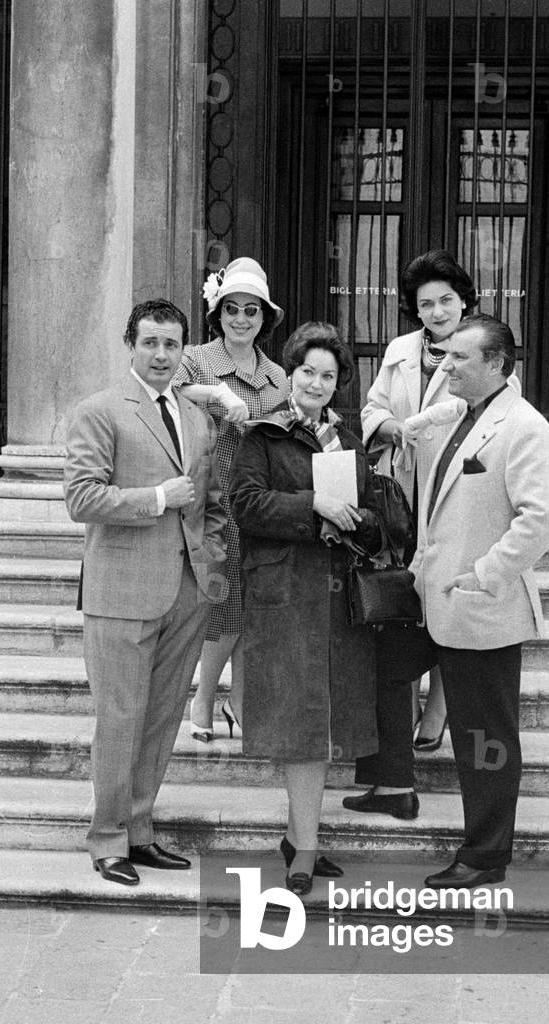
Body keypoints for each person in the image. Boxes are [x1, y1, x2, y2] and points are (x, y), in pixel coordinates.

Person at [64, 298, 227, 885]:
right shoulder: (99, 411)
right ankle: (107, 838)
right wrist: (158, 498)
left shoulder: (197, 417)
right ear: (130, 345)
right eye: (150, 342)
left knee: (160, 719)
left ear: (184, 350)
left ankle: (139, 830)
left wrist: (211, 561)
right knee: (120, 717)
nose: (161, 354)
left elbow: (210, 501)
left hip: (186, 590)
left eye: (171, 344)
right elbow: (82, 498)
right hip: (121, 591)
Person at [412, 313, 549, 889]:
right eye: (446, 354)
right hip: (439, 603)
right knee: (472, 738)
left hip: (483, 608)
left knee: (486, 741)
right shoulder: (462, 415)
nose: (445, 365)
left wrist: (485, 574)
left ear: (497, 363)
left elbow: (543, 519)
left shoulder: (524, 426)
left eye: (459, 357)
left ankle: (484, 856)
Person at [229, 321, 382, 895]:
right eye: (307, 372)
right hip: (286, 594)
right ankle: (306, 850)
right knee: (300, 722)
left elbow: (372, 513)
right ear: (290, 374)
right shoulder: (263, 434)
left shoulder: (350, 441)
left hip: (338, 599)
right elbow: (244, 505)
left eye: (328, 376)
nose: (316, 384)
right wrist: (312, 504)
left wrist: (359, 518)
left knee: (322, 722)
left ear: (339, 383)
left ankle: (300, 840)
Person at [360, 250, 483, 763]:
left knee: (447, 598)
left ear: (464, 301)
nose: (437, 312)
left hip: (456, 496)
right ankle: (404, 703)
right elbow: (373, 407)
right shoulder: (400, 350)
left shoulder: (482, 347)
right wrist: (393, 428)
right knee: (405, 600)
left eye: (446, 300)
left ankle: (438, 708)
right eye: (426, 303)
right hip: (402, 494)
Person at [172, 257, 289, 742]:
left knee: (252, 603)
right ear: (217, 314)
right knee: (223, 600)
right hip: (210, 497)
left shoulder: (277, 375)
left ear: (264, 318)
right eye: (232, 309)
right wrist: (219, 395)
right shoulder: (195, 359)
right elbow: (170, 390)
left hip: (258, 499)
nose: (241, 319)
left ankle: (239, 700)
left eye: (251, 311)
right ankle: (203, 697)